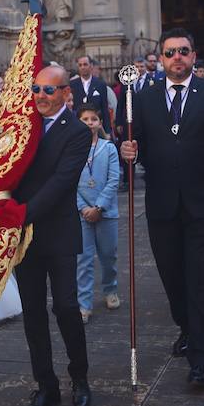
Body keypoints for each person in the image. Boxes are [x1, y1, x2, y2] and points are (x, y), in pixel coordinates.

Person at [120, 27, 204, 387]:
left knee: (200, 279)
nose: (177, 58)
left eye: (183, 51)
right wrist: (127, 150)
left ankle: (202, 359)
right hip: (162, 204)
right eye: (170, 52)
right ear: (161, 58)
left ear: (193, 55)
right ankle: (187, 327)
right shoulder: (145, 97)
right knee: (173, 278)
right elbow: (133, 140)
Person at [13, 64, 92, 406]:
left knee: (66, 307)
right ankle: (45, 385)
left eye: (49, 90)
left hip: (57, 231)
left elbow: (61, 183)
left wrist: (21, 213)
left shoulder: (76, 131)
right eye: (36, 89)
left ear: (64, 93)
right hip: (23, 236)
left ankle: (80, 379)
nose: (41, 96)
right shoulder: (20, 124)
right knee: (32, 312)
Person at [75, 104, 120, 324]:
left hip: (106, 212)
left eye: (93, 119)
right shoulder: (72, 149)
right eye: (85, 119)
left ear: (100, 123)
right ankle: (84, 303)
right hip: (82, 212)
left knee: (108, 255)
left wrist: (99, 206)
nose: (89, 123)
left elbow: (113, 179)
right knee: (83, 259)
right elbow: (69, 181)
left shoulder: (108, 148)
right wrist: (83, 208)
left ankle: (110, 289)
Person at [70, 55, 112, 136]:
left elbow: (104, 107)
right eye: (80, 65)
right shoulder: (72, 84)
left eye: (85, 64)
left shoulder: (100, 84)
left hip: (96, 126)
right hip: (78, 126)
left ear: (91, 66)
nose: (83, 67)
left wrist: (107, 130)